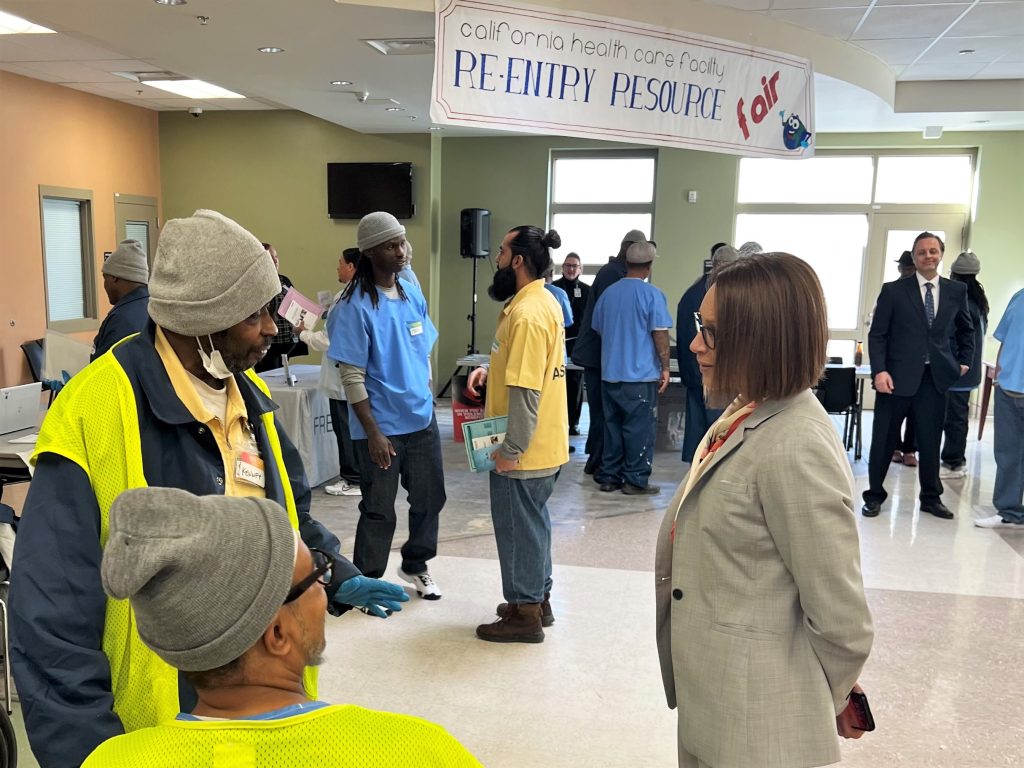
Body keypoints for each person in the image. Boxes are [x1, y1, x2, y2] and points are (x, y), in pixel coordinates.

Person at [10, 209, 408, 768]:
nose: (273, 328)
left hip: (264, 703)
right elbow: (50, 612)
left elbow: (285, 519)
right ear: (202, 320)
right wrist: (89, 752)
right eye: (255, 314)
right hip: (154, 721)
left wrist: (332, 575)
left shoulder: (244, 397)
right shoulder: (96, 410)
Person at [655, 252, 874, 768]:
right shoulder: (743, 412)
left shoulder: (796, 443)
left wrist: (830, 694)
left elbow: (841, 617)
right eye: (697, 326)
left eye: (709, 332)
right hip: (717, 701)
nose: (693, 346)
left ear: (759, 338)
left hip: (759, 726)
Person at [81, 488, 481, 767]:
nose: (327, 591)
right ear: (276, 635)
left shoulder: (109, 759)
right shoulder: (414, 752)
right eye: (317, 576)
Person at [328, 212, 446, 598]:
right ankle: (368, 578)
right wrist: (374, 433)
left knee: (431, 499)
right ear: (370, 252)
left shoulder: (411, 291)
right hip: (380, 427)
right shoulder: (353, 306)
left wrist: (427, 396)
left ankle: (415, 564)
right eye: (392, 245)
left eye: (403, 242)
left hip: (420, 418)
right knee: (379, 508)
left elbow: (422, 347)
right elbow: (352, 377)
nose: (402, 251)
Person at [466, 226, 568, 643]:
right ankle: (536, 601)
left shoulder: (526, 314)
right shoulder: (542, 302)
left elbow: (527, 391)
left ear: (518, 260)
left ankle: (524, 615)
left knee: (517, 529)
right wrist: (491, 371)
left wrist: (511, 450)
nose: (497, 258)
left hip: (526, 448)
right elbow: (534, 367)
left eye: (503, 251)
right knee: (534, 524)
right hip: (548, 441)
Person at [862, 232, 974, 520]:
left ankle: (930, 497)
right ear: (914, 257)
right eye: (922, 252)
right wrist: (880, 371)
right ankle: (874, 495)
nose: (928, 256)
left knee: (929, 438)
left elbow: (966, 330)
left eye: (933, 251)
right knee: (884, 438)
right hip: (895, 378)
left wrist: (963, 361)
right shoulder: (893, 291)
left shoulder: (955, 291)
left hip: (934, 378)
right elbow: (878, 335)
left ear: (941, 254)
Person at [591, 242, 672, 494]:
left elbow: (599, 329)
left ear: (626, 263)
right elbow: (660, 334)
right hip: (639, 377)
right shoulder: (652, 295)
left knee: (612, 427)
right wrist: (666, 367)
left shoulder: (609, 294)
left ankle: (609, 477)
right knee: (638, 430)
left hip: (610, 375)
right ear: (648, 267)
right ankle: (635, 480)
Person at [571, 229, 648, 476]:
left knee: (604, 414)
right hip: (600, 357)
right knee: (603, 415)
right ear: (629, 249)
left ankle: (599, 462)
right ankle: (600, 463)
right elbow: (610, 321)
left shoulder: (614, 272)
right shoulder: (613, 274)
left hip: (604, 356)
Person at [297, 247, 363, 496]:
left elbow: (330, 340)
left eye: (340, 263)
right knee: (348, 429)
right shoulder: (351, 294)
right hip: (348, 376)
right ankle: (355, 475)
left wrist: (302, 334)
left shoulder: (348, 298)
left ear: (351, 267)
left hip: (343, 377)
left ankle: (353, 478)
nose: (337, 267)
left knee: (346, 430)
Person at [675, 242, 736, 463]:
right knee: (718, 431)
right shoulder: (721, 294)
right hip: (716, 371)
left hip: (692, 371)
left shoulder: (690, 292)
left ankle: (695, 472)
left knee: (696, 429)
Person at [976, 287, 1024, 529]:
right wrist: (997, 378)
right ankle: (1009, 511)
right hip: (1008, 389)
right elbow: (1004, 340)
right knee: (1008, 454)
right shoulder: (1018, 297)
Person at [939, 251, 989, 479]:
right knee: (957, 416)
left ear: (954, 274)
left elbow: (954, 336)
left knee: (955, 418)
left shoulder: (960, 300)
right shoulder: (979, 300)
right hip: (968, 370)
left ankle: (954, 462)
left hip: (958, 369)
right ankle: (953, 458)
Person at [91, 239, 150, 360]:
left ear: (114, 278)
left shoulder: (121, 319)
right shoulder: (155, 309)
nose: (105, 285)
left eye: (105, 278)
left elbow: (103, 369)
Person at [553, 252, 590, 435]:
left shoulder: (588, 290)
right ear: (562, 268)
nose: (571, 269)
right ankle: (556, 421)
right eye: (568, 265)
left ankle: (573, 423)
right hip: (557, 342)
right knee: (557, 382)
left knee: (575, 385)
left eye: (575, 266)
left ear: (580, 269)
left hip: (578, 344)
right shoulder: (553, 288)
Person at [254, 242, 302, 373]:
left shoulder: (284, 280)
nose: (275, 261)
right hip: (270, 342)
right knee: (269, 375)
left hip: (288, 340)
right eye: (271, 258)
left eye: (277, 257)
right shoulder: (257, 282)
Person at [890, 250, 918, 467]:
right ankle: (895, 447)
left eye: (909, 269)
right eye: (902, 268)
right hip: (895, 361)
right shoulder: (891, 290)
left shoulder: (925, 293)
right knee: (895, 410)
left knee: (915, 411)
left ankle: (910, 449)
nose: (905, 272)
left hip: (918, 362)